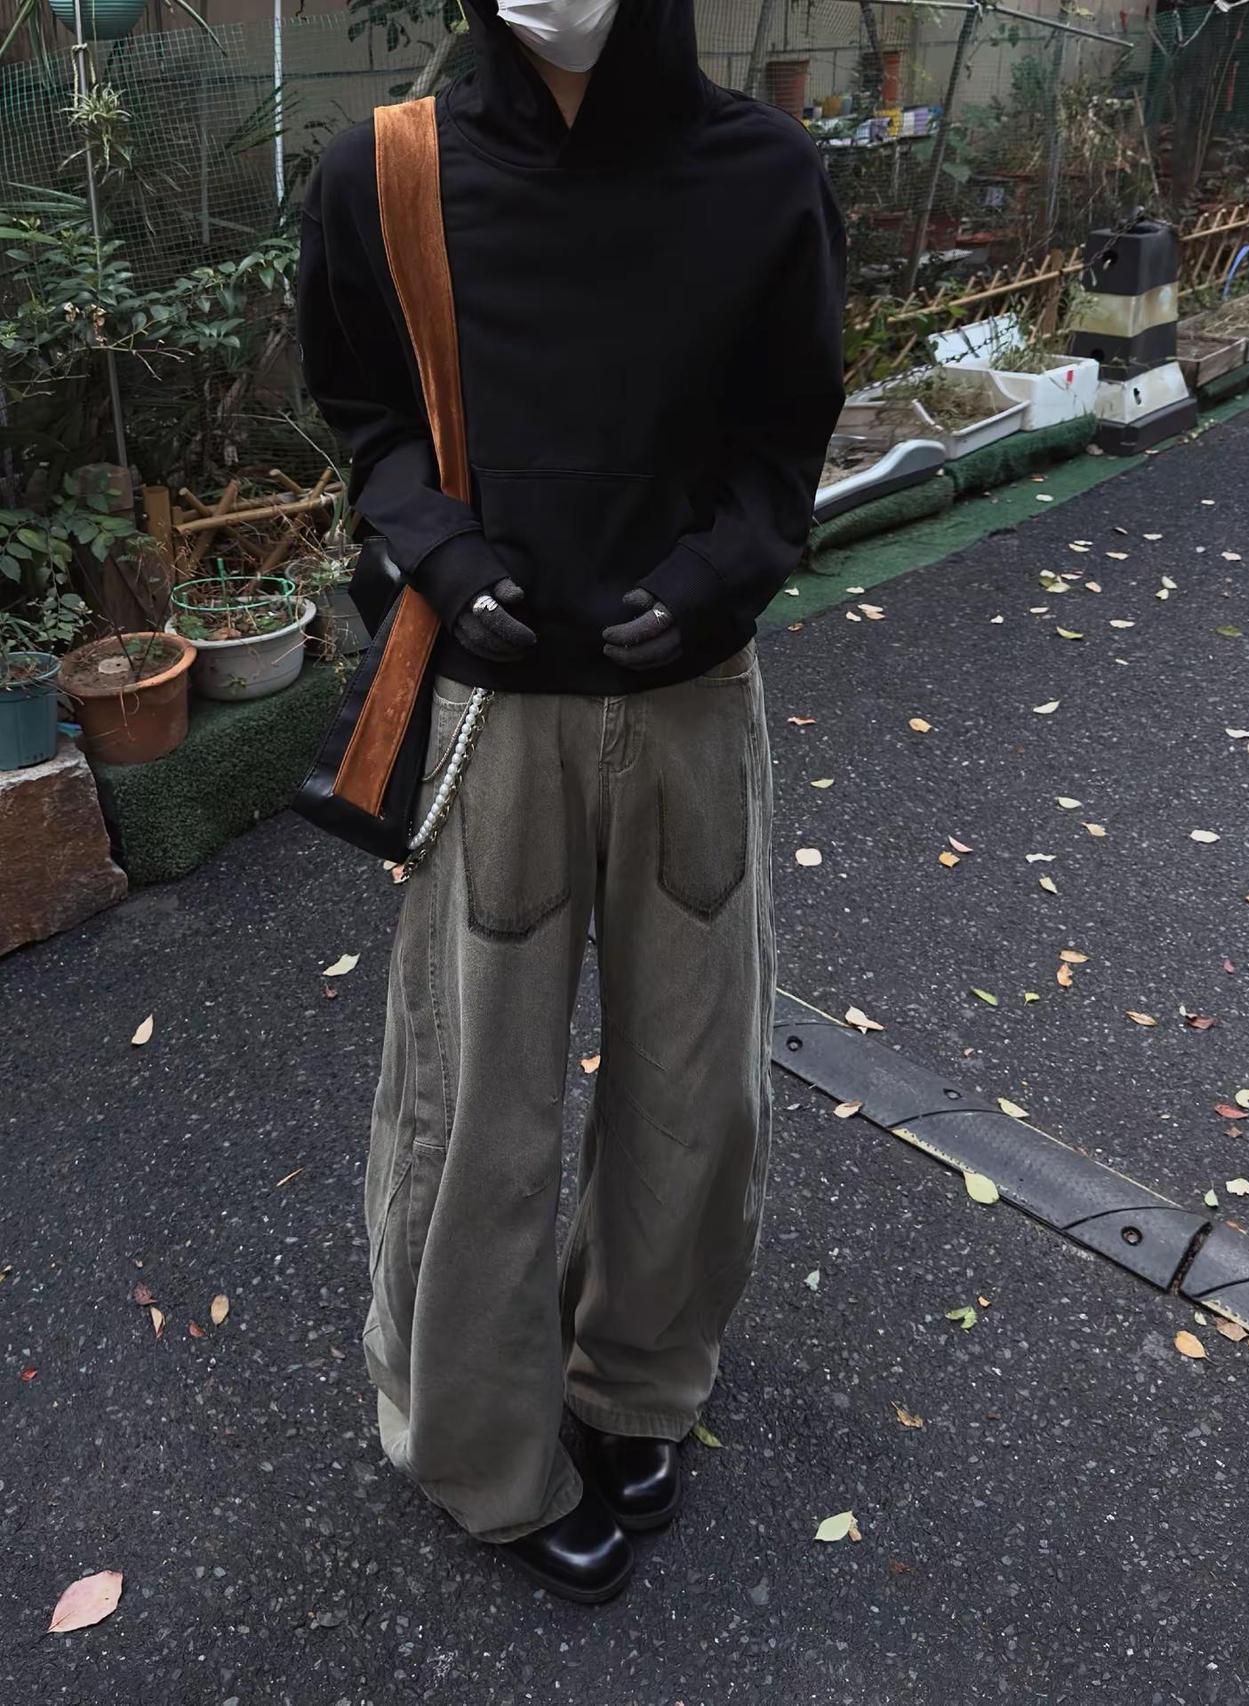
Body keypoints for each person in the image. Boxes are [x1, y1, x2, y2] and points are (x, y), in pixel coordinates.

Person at [297, 0, 845, 1604]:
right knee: (472, 1104)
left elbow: (784, 439)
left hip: (692, 700)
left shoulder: (765, 175)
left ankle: (636, 1383)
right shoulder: (388, 172)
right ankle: (479, 1445)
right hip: (497, 715)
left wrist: (719, 574)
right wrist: (441, 551)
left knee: (697, 1085)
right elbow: (366, 415)